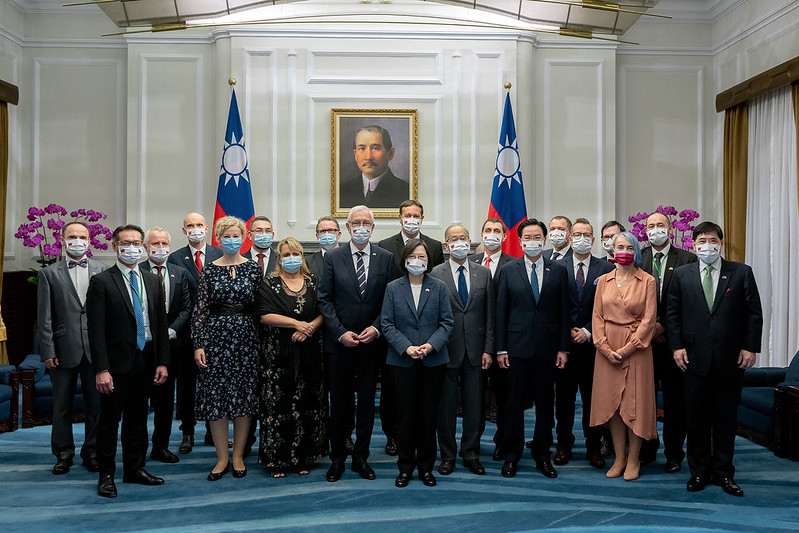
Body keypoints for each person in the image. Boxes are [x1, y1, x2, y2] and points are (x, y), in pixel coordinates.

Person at [666, 221, 762, 497]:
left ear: (721, 243)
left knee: (725, 419)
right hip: (692, 358)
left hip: (730, 359)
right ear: (693, 244)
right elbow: (672, 314)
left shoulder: (741, 272)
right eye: (702, 241)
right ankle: (698, 472)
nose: (707, 246)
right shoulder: (682, 274)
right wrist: (676, 347)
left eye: (713, 240)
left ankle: (723, 472)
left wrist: (750, 347)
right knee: (695, 419)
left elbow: (753, 313)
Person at [87, 224, 170, 498]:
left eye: (136, 243)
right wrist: (101, 369)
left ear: (143, 247)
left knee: (138, 419)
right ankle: (106, 475)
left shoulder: (152, 280)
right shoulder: (102, 281)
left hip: (146, 360)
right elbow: (96, 330)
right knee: (109, 422)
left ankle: (135, 468)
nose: (132, 248)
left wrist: (162, 361)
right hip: (115, 365)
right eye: (125, 243)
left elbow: (160, 324)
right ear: (115, 247)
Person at [317, 205, 396, 482]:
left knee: (366, 403)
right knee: (339, 402)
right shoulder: (333, 257)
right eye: (356, 223)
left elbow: (391, 299)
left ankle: (361, 457)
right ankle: (337, 458)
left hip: (371, 344)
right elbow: (324, 299)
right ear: (348, 227)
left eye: (366, 223)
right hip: (340, 344)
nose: (361, 227)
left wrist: (376, 328)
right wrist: (340, 333)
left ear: (372, 228)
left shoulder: (386, 258)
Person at [495, 218, 570, 479]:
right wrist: (501, 349)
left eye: (537, 237)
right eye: (527, 237)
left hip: (548, 349)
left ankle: (542, 455)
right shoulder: (509, 270)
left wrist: (564, 348)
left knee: (545, 406)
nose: (532, 241)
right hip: (516, 349)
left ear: (544, 239)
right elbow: (501, 311)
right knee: (513, 405)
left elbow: (564, 312)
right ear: (520, 241)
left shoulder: (558, 270)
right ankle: (512, 455)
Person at [192, 216, 261, 481]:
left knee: (244, 397)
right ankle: (222, 458)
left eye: (236, 236)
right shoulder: (209, 270)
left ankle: (238, 456)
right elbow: (200, 310)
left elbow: (260, 307)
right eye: (227, 236)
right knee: (217, 399)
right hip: (215, 339)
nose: (232, 240)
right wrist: (198, 343)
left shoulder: (253, 268)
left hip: (247, 339)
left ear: (244, 238)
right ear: (218, 239)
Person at [381, 238, 454, 487]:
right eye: (413, 256)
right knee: (405, 417)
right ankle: (405, 468)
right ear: (404, 260)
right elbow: (387, 324)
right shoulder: (392, 288)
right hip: (402, 361)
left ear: (428, 261)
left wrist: (430, 345)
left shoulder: (439, 287)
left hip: (432, 361)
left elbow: (447, 323)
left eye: (422, 257)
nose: (417, 261)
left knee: (428, 416)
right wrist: (407, 347)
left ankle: (426, 468)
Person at [37, 221, 107, 476]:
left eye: (82, 237)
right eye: (73, 237)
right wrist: (48, 350)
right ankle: (63, 454)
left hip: (95, 350)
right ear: (63, 240)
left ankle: (92, 452)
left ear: (89, 241)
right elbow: (44, 316)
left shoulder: (102, 270)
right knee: (62, 406)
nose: (78, 241)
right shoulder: (49, 273)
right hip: (63, 348)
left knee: (96, 406)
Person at [377, 199, 444, 455]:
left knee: (426, 403)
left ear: (422, 218)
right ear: (400, 217)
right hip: (396, 333)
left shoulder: (434, 246)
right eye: (408, 215)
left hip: (427, 331)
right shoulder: (385, 245)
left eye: (417, 215)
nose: (412, 219)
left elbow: (437, 280)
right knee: (393, 394)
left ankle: (422, 446)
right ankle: (392, 436)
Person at [257, 237, 327, 477]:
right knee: (279, 406)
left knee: (308, 405)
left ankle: (303, 457)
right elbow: (264, 315)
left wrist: (309, 328)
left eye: (295, 254)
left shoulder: (313, 281)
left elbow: (324, 311)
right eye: (286, 255)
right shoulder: (269, 282)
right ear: (279, 259)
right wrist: (297, 324)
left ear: (302, 257)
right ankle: (278, 460)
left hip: (310, 353)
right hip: (278, 356)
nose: (291, 258)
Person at [590, 231, 657, 481]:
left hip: (637, 349)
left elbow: (649, 320)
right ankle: (619, 457)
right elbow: (597, 316)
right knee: (614, 405)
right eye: (620, 247)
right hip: (607, 351)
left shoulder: (648, 281)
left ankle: (634, 458)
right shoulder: (603, 280)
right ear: (612, 250)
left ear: (636, 251)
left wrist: (628, 348)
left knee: (634, 404)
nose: (625, 252)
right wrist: (604, 348)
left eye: (630, 248)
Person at [431, 225, 494, 477]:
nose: (459, 242)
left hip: (477, 351)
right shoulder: (436, 273)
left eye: (463, 238)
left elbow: (490, 315)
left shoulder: (484, 273)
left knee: (474, 406)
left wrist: (489, 349)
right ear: (446, 245)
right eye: (453, 239)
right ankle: (447, 455)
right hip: (446, 350)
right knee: (445, 408)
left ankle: (471, 454)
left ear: (470, 242)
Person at [638, 212, 697, 472]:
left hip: (675, 344)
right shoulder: (639, 258)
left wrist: (663, 326)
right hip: (644, 344)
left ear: (670, 229)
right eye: (651, 226)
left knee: (675, 401)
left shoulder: (687, 259)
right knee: (645, 400)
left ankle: (674, 454)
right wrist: (650, 328)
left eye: (660, 225)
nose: (655, 229)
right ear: (645, 230)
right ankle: (647, 449)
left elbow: (689, 301)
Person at [553, 218, 614, 469]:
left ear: (593, 239)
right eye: (577, 234)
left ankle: (593, 447)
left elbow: (609, 309)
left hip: (594, 346)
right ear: (570, 238)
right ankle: (564, 445)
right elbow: (553, 306)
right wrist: (567, 331)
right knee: (564, 401)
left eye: (586, 235)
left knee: (593, 400)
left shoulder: (606, 268)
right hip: (564, 347)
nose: (581, 239)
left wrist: (588, 331)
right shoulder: (556, 267)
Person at [167, 212, 223, 453]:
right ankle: (187, 432)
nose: (195, 228)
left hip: (218, 331)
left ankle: (213, 432)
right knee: (187, 383)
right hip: (187, 331)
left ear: (206, 228)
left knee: (215, 383)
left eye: (199, 224)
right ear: (184, 230)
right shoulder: (175, 257)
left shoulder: (220, 254)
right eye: (190, 225)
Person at [141, 227, 192, 464]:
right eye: (155, 243)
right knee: (139, 399)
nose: (160, 248)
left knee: (165, 400)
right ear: (145, 247)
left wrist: (172, 330)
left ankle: (160, 446)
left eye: (164, 243)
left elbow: (186, 308)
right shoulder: (138, 271)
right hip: (143, 345)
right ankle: (137, 446)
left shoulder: (179, 273)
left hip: (172, 344)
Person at [470, 217, 513, 461]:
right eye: (488, 230)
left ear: (505, 236)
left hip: (505, 343)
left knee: (504, 397)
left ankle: (502, 442)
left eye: (497, 230)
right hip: (477, 343)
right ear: (482, 234)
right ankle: (473, 443)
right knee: (476, 398)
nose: (492, 234)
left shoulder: (514, 264)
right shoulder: (471, 262)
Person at [339, 125, 410, 210]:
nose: (368, 157)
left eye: (375, 148)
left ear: (390, 153)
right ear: (355, 155)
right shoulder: (342, 191)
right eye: (362, 148)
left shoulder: (406, 191)